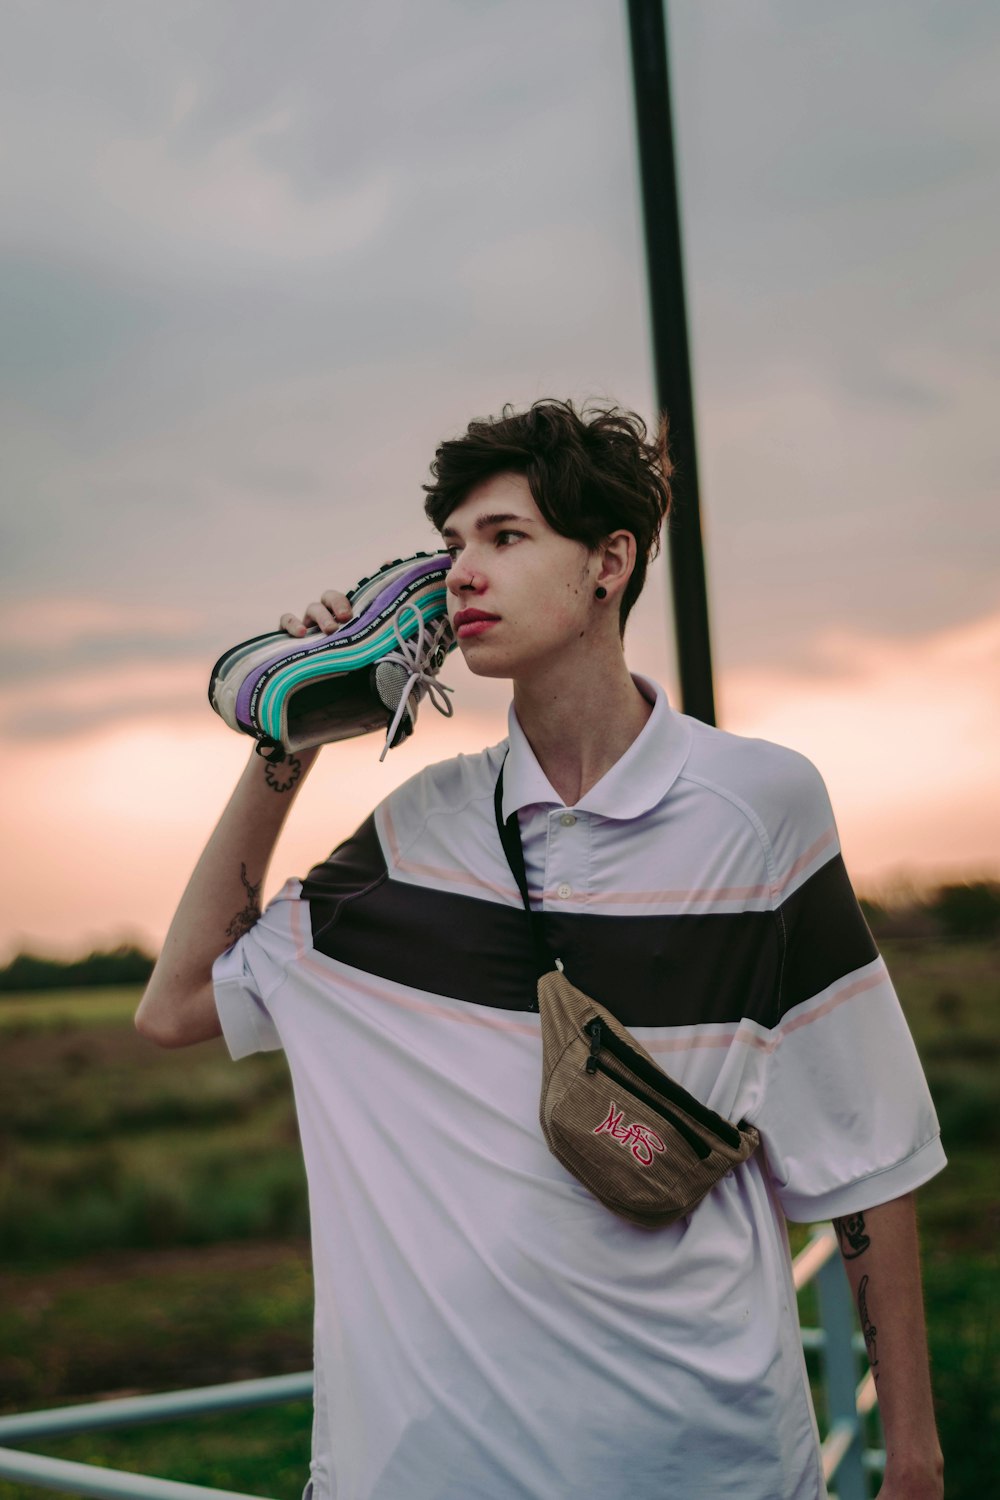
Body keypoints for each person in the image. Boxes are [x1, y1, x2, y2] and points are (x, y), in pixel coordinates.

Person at [136, 400, 945, 1500]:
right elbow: (177, 1005)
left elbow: (863, 1157)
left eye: (506, 538)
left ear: (609, 562)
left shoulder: (760, 810)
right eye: (454, 545)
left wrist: (911, 1461)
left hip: (711, 1468)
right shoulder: (415, 835)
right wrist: (292, 735)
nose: (463, 572)